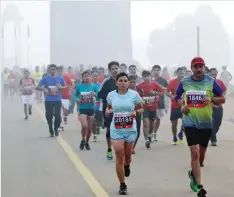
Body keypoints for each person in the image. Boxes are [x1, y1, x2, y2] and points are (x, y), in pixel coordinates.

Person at [175, 57, 225, 197]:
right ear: (191, 68)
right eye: (195, 67)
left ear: (204, 68)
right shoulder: (185, 81)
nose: (198, 69)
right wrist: (182, 105)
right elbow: (177, 96)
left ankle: (194, 171)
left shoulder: (211, 81)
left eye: (200, 67)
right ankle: (198, 185)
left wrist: (211, 99)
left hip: (206, 123)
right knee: (194, 152)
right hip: (189, 121)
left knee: (201, 155)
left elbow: (222, 98)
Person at [106, 72, 143, 195]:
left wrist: (136, 113)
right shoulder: (111, 95)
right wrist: (108, 111)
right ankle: (122, 184)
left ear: (128, 83)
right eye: (120, 81)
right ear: (116, 83)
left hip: (130, 129)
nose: (123, 83)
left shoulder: (134, 95)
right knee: (119, 155)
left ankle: (127, 166)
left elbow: (141, 108)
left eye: (125, 81)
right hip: (116, 128)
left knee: (127, 158)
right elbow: (109, 107)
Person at [37, 64, 66, 137]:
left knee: (58, 116)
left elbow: (65, 86)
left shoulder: (60, 78)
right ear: (49, 70)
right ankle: (50, 127)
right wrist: (44, 89)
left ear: (56, 70)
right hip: (48, 100)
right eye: (51, 69)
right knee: (49, 116)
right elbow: (37, 87)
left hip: (57, 99)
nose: (52, 71)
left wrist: (60, 87)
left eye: (54, 69)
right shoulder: (45, 78)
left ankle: (56, 128)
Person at [98, 61, 120, 160]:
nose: (115, 70)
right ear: (110, 71)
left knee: (121, 129)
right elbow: (99, 95)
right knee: (109, 130)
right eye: (113, 69)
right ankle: (109, 149)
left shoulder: (123, 80)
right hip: (109, 110)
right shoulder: (106, 82)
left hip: (121, 110)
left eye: (116, 68)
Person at [138, 70, 163, 148]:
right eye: (144, 76)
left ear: (150, 77)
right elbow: (136, 95)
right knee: (145, 123)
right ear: (142, 77)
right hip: (144, 107)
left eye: (147, 76)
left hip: (153, 106)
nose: (146, 78)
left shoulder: (154, 84)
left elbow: (162, 93)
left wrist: (155, 93)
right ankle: (146, 140)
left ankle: (149, 135)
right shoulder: (139, 86)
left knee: (152, 124)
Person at [75, 71, 98, 150]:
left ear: (90, 77)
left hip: (91, 108)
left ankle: (87, 142)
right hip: (82, 108)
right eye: (85, 76)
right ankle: (82, 139)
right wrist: (77, 99)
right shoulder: (79, 86)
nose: (86, 78)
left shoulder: (94, 86)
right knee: (84, 126)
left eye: (88, 76)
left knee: (89, 128)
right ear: (82, 78)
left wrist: (94, 94)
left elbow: (98, 96)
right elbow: (75, 95)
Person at [166, 67, 185, 144]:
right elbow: (167, 92)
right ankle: (174, 136)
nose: (182, 75)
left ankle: (181, 133)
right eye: (180, 73)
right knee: (174, 123)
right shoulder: (172, 82)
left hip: (184, 105)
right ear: (177, 74)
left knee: (186, 123)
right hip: (175, 106)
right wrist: (171, 96)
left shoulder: (187, 82)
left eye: (183, 73)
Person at [209, 68, 227, 146]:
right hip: (209, 106)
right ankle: (213, 139)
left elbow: (225, 90)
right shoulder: (206, 83)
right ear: (209, 74)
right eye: (212, 74)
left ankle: (211, 134)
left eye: (215, 74)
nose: (214, 75)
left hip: (219, 105)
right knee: (212, 123)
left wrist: (221, 96)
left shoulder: (219, 82)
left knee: (218, 122)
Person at [151, 65, 168, 141]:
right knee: (151, 119)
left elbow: (167, 90)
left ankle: (154, 132)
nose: (156, 71)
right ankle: (150, 132)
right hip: (150, 103)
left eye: (158, 70)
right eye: (155, 70)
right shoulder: (149, 79)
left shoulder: (163, 80)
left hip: (160, 102)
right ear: (152, 71)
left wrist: (162, 88)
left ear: (160, 71)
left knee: (158, 119)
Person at [128, 75, 144, 154]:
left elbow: (142, 102)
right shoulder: (123, 91)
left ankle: (132, 147)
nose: (133, 84)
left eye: (134, 82)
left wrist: (140, 109)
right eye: (131, 82)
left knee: (137, 132)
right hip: (126, 115)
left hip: (137, 113)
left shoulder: (139, 90)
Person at [91, 71, 102, 142]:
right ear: (91, 77)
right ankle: (94, 135)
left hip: (99, 104)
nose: (95, 77)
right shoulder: (89, 85)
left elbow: (102, 94)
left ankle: (98, 127)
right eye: (93, 76)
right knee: (93, 120)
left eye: (96, 76)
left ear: (98, 77)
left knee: (98, 120)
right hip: (90, 105)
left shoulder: (101, 85)